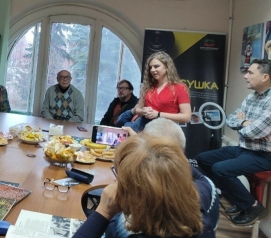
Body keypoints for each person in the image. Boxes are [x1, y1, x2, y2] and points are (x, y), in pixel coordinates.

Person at [74, 134, 213, 238]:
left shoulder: (129, 233)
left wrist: (103, 212)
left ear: (138, 197)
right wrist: (158, 157)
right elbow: (198, 177)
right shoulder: (200, 206)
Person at [196, 59, 271, 226]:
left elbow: (255, 131)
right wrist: (245, 123)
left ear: (265, 76)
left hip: (265, 155)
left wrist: (245, 125)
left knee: (220, 169)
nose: (245, 76)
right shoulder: (251, 98)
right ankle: (239, 201)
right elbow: (230, 120)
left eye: (250, 72)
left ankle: (253, 207)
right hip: (245, 148)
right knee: (203, 158)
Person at [116, 51, 191, 132]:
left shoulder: (179, 88)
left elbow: (186, 117)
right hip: (142, 127)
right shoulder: (148, 86)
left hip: (164, 131)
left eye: (156, 66)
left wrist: (158, 114)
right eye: (150, 67)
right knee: (120, 123)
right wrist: (143, 111)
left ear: (167, 67)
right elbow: (138, 109)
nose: (152, 70)